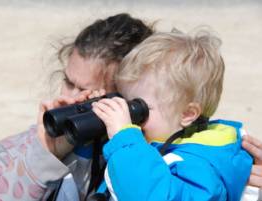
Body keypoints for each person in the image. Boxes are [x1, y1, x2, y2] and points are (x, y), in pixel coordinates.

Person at [0, 13, 261, 201]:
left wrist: (243, 182)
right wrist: (44, 155)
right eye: (70, 83)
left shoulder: (177, 151)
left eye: (95, 95)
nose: (77, 100)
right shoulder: (18, 150)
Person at [91, 29, 253, 200]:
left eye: (140, 108)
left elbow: (154, 196)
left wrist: (124, 140)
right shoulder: (154, 144)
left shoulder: (200, 164)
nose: (130, 118)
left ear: (187, 114)